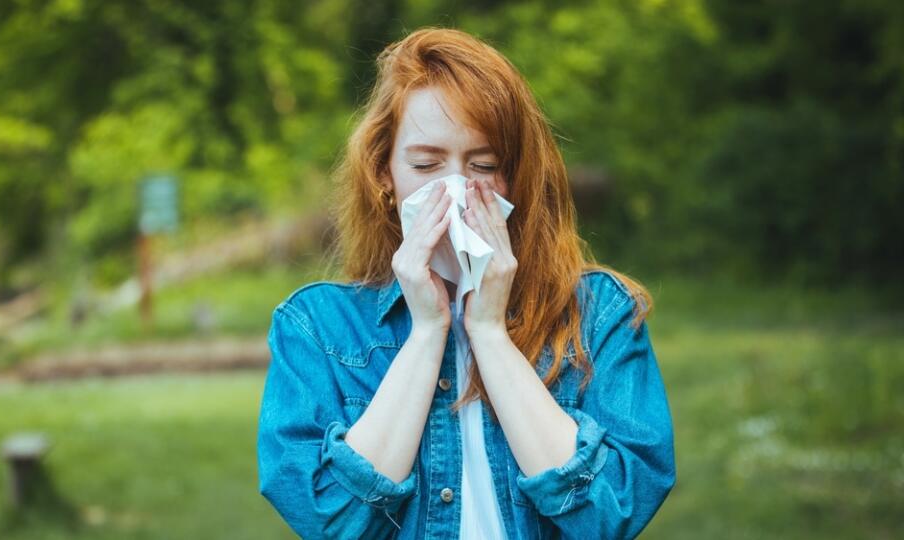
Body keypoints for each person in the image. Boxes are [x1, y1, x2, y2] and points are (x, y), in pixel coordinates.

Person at [256, 26, 675, 540]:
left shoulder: (601, 314)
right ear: (384, 173)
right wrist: (429, 330)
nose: (455, 190)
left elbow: (613, 514)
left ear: (516, 176)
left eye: (483, 165)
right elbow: (330, 519)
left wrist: (490, 333)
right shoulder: (318, 328)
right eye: (426, 164)